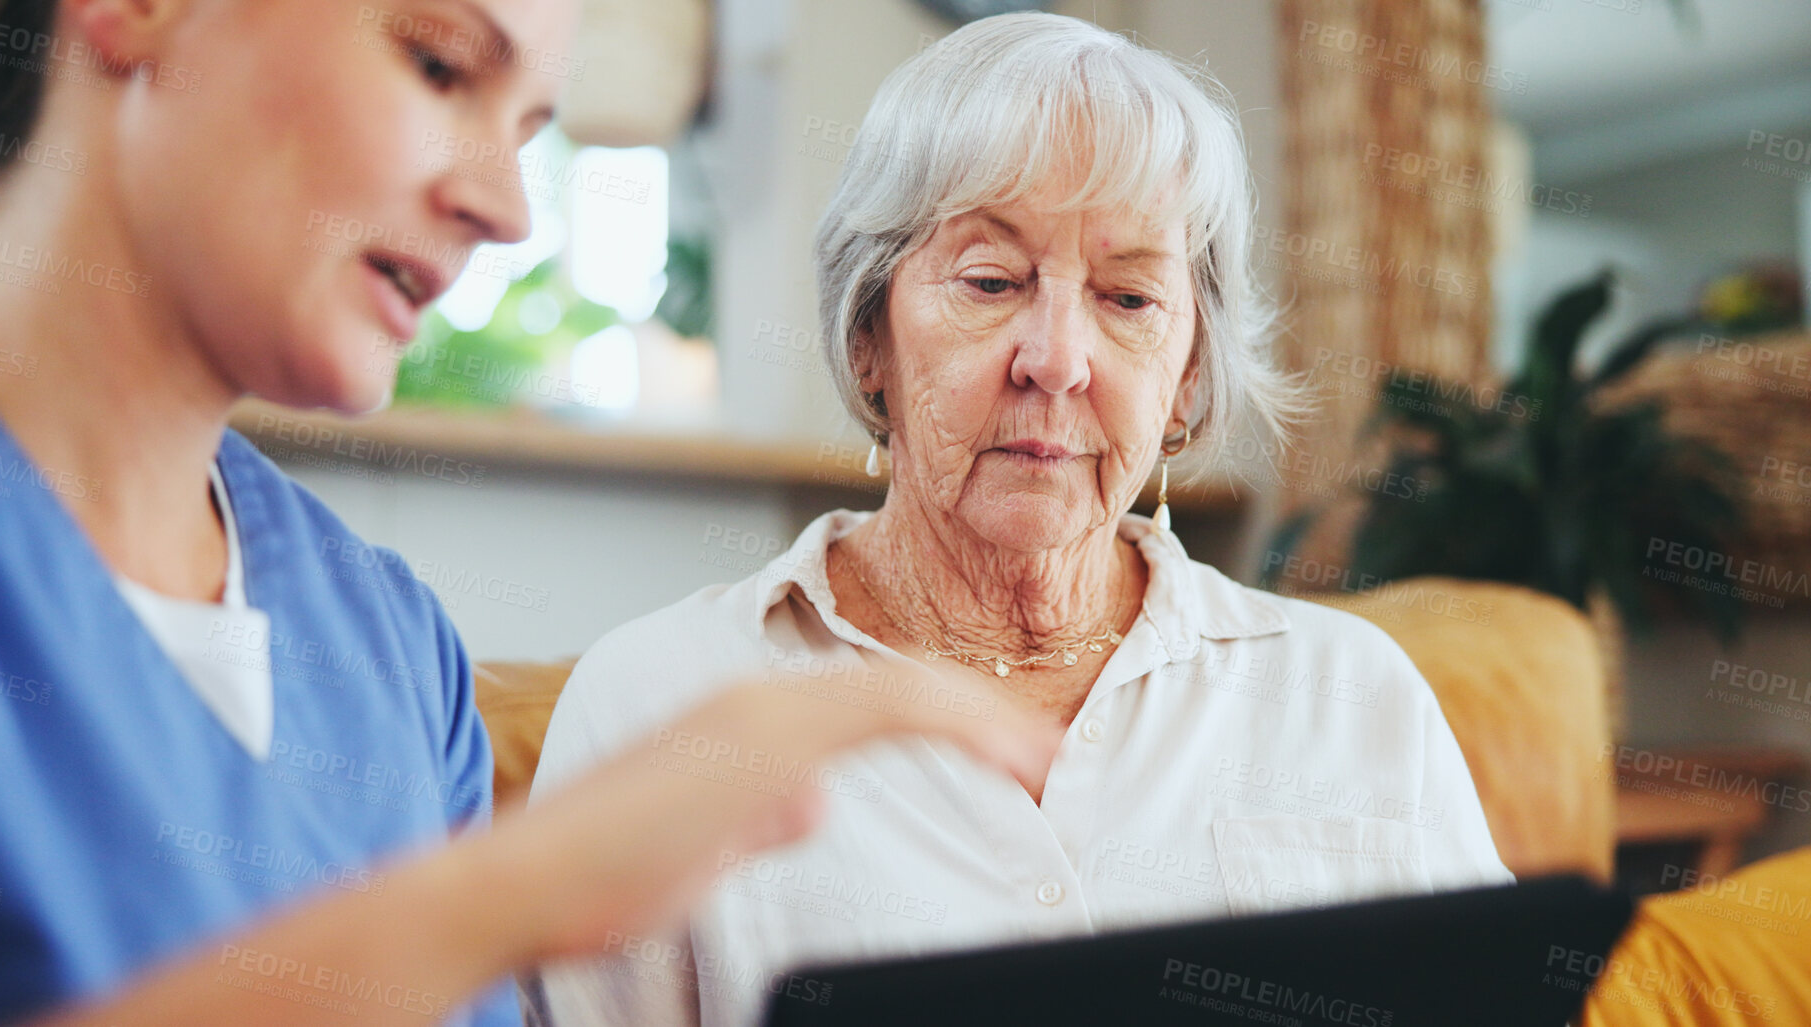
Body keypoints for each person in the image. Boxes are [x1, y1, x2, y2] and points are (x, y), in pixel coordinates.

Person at [0, 1, 1056, 1024]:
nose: (508, 208)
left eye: (530, 130)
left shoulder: (388, 648)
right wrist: (516, 889)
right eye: (437, 66)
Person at [533, 12, 1515, 1026]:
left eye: (1129, 298)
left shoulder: (1352, 695)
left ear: (1186, 378)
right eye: (991, 281)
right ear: (869, 336)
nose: (1057, 358)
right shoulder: (658, 703)